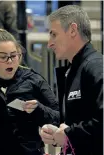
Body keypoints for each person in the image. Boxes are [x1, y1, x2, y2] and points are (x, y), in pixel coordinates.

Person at [40, 5, 103, 155]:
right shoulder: (73, 70)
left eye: (54, 34)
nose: (49, 43)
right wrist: (59, 136)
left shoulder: (96, 67)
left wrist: (69, 134)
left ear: (73, 30)